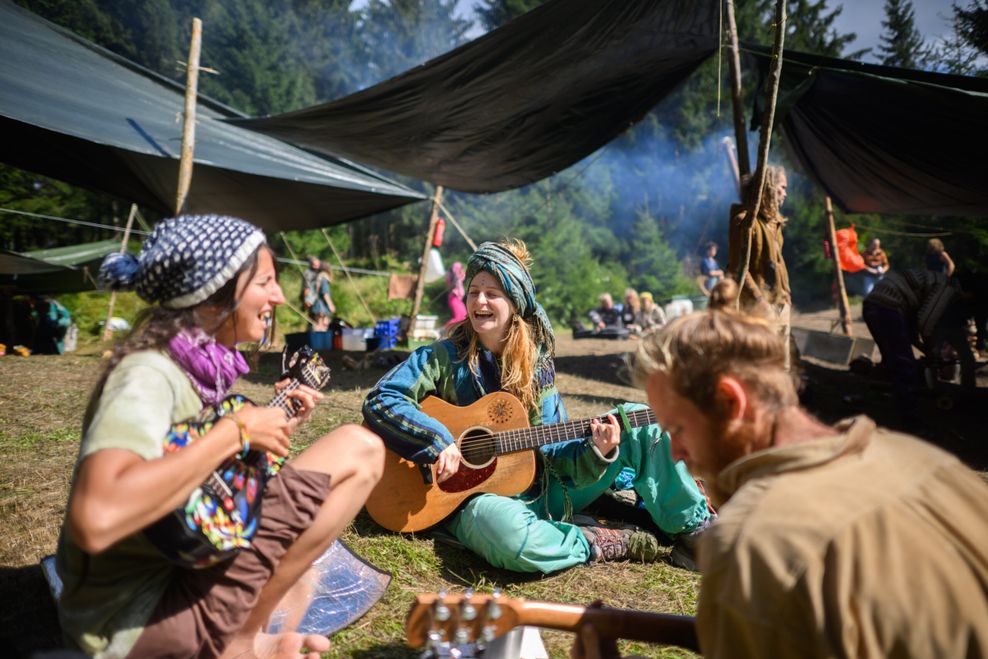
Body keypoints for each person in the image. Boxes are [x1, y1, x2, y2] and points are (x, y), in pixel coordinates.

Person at [56, 215, 384, 659]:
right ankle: (238, 642)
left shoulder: (196, 370)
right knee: (359, 449)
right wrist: (237, 431)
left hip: (175, 571)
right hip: (133, 620)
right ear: (213, 294)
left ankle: (240, 635)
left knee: (356, 452)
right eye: (265, 281)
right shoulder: (147, 375)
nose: (280, 296)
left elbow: (198, 478)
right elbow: (95, 518)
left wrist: (271, 430)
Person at [573, 309, 988, 658]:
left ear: (729, 402)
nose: (675, 453)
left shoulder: (753, 544)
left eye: (677, 428)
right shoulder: (925, 462)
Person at [362, 240, 712, 574]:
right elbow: (382, 398)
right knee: (508, 537)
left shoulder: (537, 364)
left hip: (546, 488)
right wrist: (437, 441)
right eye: (473, 292)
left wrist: (598, 452)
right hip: (477, 501)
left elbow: (555, 452)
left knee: (641, 423)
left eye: (492, 294)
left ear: (514, 302)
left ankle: (693, 535)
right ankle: (601, 540)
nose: (479, 302)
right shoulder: (440, 357)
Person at [862, 267, 973, 416]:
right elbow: (925, 322)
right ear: (967, 292)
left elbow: (913, 325)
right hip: (887, 306)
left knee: (891, 360)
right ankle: (910, 416)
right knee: (904, 364)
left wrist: (922, 347)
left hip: (872, 303)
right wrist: (930, 351)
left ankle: (882, 403)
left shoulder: (936, 279)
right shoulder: (948, 288)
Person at [727, 165, 792, 369]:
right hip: (756, 307)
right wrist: (761, 302)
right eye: (782, 188)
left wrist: (786, 296)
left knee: (781, 365)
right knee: (760, 366)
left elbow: (778, 264)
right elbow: (737, 269)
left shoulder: (775, 224)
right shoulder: (744, 222)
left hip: (780, 304)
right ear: (769, 188)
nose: (785, 194)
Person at [301, 256, 335, 331]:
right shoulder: (323, 277)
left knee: (321, 323)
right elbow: (325, 293)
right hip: (320, 305)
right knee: (320, 325)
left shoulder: (318, 276)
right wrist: (331, 305)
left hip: (316, 304)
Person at [445, 261, 467, 329]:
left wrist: (462, 272)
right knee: (458, 318)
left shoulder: (458, 276)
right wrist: (457, 276)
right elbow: (454, 283)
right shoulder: (452, 276)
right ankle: (445, 329)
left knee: (464, 316)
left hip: (457, 299)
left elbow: (463, 276)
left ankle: (458, 332)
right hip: (454, 298)